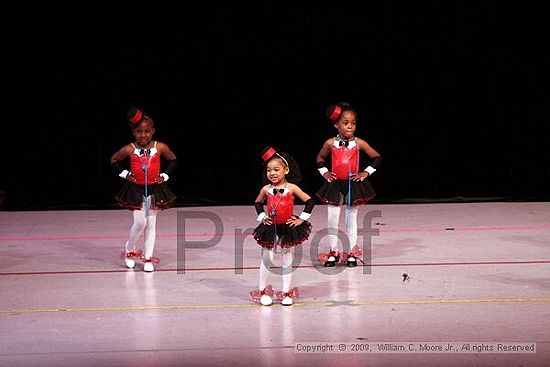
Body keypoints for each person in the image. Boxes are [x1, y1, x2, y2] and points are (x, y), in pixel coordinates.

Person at [110, 107, 177, 272]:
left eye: (147, 131)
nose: (143, 135)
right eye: (139, 131)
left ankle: (148, 258)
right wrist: (125, 174)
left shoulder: (160, 147)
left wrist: (165, 176)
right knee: (140, 222)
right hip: (136, 190)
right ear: (134, 132)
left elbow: (173, 159)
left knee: (151, 225)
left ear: (153, 131)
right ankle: (130, 250)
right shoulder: (129, 149)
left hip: (154, 190)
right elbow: (114, 160)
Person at [316, 102, 381, 267]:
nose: (350, 126)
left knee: (351, 220)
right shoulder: (330, 143)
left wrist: (366, 172)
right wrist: (325, 172)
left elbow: (377, 157)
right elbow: (319, 159)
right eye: (345, 123)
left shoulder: (359, 143)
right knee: (333, 219)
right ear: (336, 124)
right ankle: (334, 252)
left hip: (353, 185)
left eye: (353, 123)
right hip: (335, 185)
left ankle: (351, 252)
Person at [250, 146, 315, 306]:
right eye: (269, 170)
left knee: (287, 258)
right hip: (270, 227)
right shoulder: (266, 189)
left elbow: (310, 201)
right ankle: (263, 290)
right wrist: (262, 216)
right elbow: (258, 202)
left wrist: (301, 219)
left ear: (286, 170)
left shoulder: (291, 188)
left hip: (288, 227)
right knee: (267, 258)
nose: (272, 173)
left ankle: (286, 292)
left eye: (276, 169)